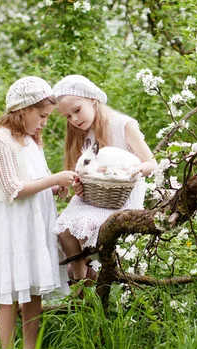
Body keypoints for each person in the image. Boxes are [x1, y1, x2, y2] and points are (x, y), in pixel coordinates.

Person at [0, 76, 75, 349]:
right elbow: (13, 189)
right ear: (23, 109)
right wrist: (52, 178)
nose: (43, 123)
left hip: (34, 222)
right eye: (41, 116)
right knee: (11, 290)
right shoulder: (2, 140)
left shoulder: (31, 140)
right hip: (13, 224)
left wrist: (55, 186)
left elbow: (35, 181)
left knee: (34, 287)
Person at [53, 75, 157, 287]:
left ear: (92, 99)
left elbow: (151, 163)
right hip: (94, 197)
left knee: (85, 228)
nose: (73, 119)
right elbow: (86, 171)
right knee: (62, 230)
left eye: (77, 110)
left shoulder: (122, 125)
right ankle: (81, 277)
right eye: (67, 116)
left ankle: (82, 278)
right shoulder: (83, 132)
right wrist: (78, 187)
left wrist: (133, 171)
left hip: (121, 197)